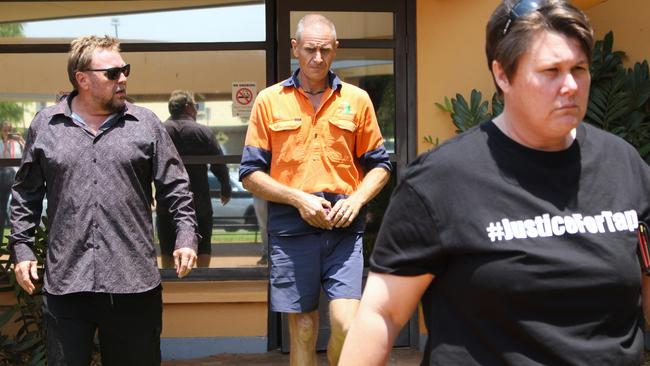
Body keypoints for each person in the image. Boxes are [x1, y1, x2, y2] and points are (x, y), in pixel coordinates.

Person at [340, 1, 650, 365]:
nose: (570, 86)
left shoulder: (623, 164)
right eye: (551, 71)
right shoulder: (442, 179)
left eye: (579, 69)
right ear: (502, 75)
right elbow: (382, 314)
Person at [8, 35, 198, 365]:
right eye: (112, 73)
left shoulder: (145, 124)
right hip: (67, 282)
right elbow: (26, 192)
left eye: (125, 70)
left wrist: (185, 237)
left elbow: (176, 187)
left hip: (133, 282)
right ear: (82, 78)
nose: (122, 78)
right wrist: (22, 247)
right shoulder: (46, 125)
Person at [239, 13, 391, 365]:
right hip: (292, 230)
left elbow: (380, 166)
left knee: (347, 326)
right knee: (304, 330)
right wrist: (297, 198)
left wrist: (356, 200)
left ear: (336, 49)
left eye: (325, 50)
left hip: (343, 228)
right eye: (310, 49)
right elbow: (249, 173)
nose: (318, 58)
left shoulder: (357, 100)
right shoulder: (269, 100)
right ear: (295, 48)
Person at [157, 90, 231, 268]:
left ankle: (171, 284)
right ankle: (202, 282)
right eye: (196, 106)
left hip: (167, 199)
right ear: (188, 107)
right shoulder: (203, 131)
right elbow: (218, 163)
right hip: (199, 199)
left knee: (167, 246)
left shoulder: (160, 130)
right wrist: (225, 187)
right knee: (203, 244)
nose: (197, 110)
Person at [0, 121, 23, 242]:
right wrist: (4, 142)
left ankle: (18, 241)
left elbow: (28, 155)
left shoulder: (17, 144)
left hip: (17, 178)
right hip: (3, 178)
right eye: (5, 130)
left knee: (18, 210)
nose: (7, 133)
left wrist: (22, 140)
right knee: (2, 210)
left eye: (9, 130)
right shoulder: (0, 143)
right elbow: (3, 158)